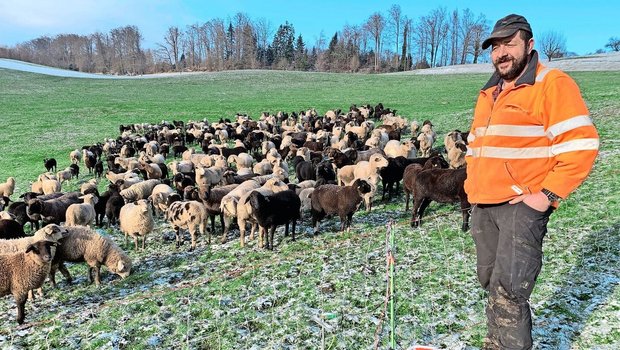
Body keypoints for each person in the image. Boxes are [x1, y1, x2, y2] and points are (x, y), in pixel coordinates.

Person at [464, 14, 599, 349]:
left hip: (519, 208)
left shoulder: (551, 83)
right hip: (483, 204)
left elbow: (581, 144)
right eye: (495, 47)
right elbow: (476, 144)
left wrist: (546, 194)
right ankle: (496, 342)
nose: (501, 53)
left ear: (529, 44)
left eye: (509, 44)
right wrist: (471, 187)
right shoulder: (489, 92)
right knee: (490, 281)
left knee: (510, 290)